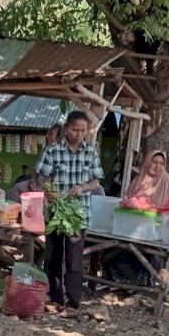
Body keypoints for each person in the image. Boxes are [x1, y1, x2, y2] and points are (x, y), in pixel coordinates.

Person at [36, 111, 104, 318]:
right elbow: (44, 177)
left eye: (83, 131)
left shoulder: (91, 152)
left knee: (74, 260)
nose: (78, 134)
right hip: (56, 211)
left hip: (78, 213)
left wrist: (82, 188)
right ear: (67, 128)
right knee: (53, 258)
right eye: (75, 129)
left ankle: (73, 303)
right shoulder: (53, 151)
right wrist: (49, 189)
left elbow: (96, 181)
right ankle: (55, 298)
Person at [104, 150, 169, 286]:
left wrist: (155, 210)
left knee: (147, 251)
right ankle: (118, 284)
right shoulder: (138, 181)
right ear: (147, 163)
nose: (158, 166)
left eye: (162, 163)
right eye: (154, 162)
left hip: (156, 231)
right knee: (115, 246)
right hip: (132, 228)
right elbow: (125, 201)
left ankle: (142, 284)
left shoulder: (168, 184)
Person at [6, 123, 63, 203]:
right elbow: (36, 169)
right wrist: (32, 180)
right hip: (37, 184)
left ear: (58, 139)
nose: (46, 136)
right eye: (47, 133)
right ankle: (6, 208)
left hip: (48, 191)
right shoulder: (45, 150)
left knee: (38, 202)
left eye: (50, 134)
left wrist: (41, 191)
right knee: (17, 188)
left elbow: (51, 186)